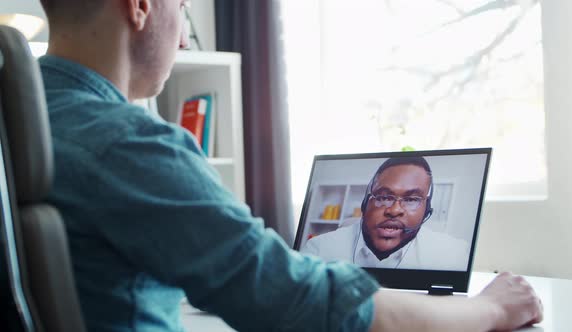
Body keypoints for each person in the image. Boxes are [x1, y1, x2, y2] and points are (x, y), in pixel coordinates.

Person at [36, 0, 543, 331]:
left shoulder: (26, 122)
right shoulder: (130, 146)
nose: (185, 38)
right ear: (141, 5)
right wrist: (491, 308)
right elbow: (313, 309)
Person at [302, 157, 470, 270]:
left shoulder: (454, 255)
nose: (394, 210)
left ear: (427, 210)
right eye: (383, 197)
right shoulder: (318, 251)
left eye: (411, 199)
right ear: (366, 202)